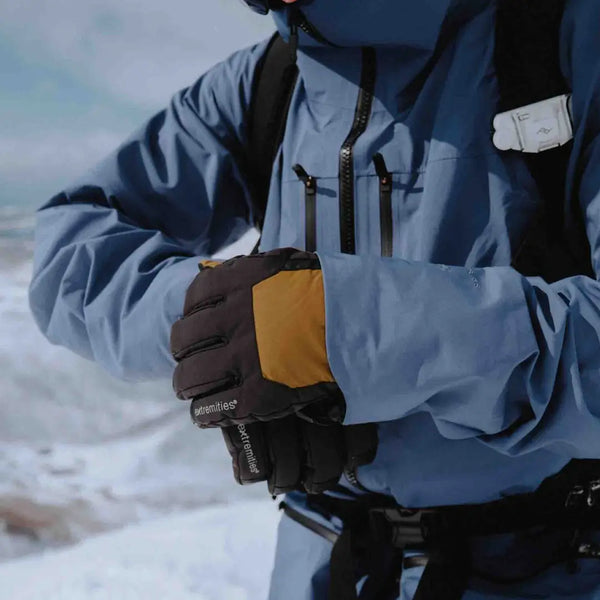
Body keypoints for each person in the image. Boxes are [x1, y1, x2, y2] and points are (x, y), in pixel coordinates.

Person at [28, 0, 600, 598]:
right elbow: (70, 247)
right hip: (320, 565)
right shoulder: (265, 82)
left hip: (547, 567)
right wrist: (230, 324)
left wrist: (348, 334)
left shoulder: (562, 42)